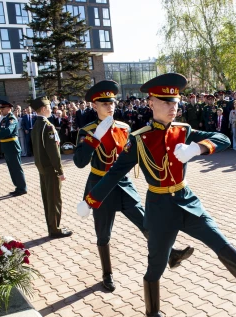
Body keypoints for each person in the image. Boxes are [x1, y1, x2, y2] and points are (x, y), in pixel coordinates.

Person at [78, 73, 236, 317]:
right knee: (155, 266)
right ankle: (152, 312)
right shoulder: (139, 139)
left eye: (175, 102)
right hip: (159, 208)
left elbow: (221, 138)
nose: (173, 107)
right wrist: (90, 200)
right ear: (151, 102)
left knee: (216, 238)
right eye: (166, 102)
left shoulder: (183, 130)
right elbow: (114, 173)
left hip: (186, 200)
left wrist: (197, 148)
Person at [74, 80, 193, 293]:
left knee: (146, 222)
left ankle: (171, 253)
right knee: (103, 234)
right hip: (100, 184)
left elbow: (135, 155)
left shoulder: (124, 128)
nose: (110, 107)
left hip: (123, 184)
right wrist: (95, 138)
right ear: (94, 106)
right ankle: (107, 274)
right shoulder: (87, 130)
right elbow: (80, 162)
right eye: (104, 104)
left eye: (111, 103)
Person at [29, 96, 72, 239]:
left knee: (48, 199)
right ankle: (55, 229)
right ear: (43, 109)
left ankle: (51, 226)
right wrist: (60, 171)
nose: (51, 109)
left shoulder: (36, 125)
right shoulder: (47, 126)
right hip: (50, 169)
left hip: (42, 168)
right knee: (54, 199)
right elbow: (53, 152)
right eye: (48, 107)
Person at [0, 100, 28, 196]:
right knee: (11, 168)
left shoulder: (11, 119)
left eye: (3, 108)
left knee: (16, 168)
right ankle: (18, 187)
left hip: (12, 146)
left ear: (9, 108)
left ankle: (22, 188)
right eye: (1, 108)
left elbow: (8, 131)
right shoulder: (5, 119)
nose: (1, 110)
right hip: (6, 146)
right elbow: (0, 131)